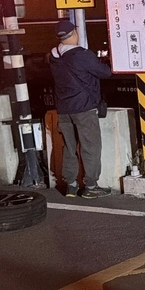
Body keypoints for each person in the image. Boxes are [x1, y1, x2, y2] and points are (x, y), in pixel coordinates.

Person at [50, 20, 113, 199]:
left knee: (69, 147)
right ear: (74, 33)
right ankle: (91, 186)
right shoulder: (82, 55)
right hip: (84, 108)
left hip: (63, 109)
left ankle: (70, 185)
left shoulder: (54, 56)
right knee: (90, 146)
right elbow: (105, 72)